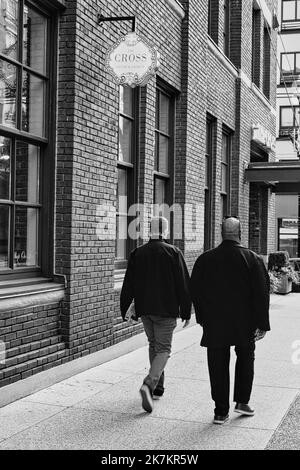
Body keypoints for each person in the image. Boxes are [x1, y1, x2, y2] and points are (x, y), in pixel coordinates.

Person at [191, 216, 270, 425]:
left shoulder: (205, 259)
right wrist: (262, 324)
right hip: (245, 322)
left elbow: (195, 291)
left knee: (217, 364)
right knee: (246, 358)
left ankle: (220, 411)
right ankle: (242, 402)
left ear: (221, 232)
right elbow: (261, 294)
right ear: (240, 232)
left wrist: (202, 318)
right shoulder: (253, 259)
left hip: (215, 322)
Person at [120, 216, 191, 413]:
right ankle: (149, 384)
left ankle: (158, 387)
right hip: (166, 311)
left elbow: (128, 283)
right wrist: (186, 310)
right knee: (164, 349)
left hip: (145, 311)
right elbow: (183, 284)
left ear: (149, 231)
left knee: (154, 345)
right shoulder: (173, 253)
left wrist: (125, 308)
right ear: (166, 232)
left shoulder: (137, 253)